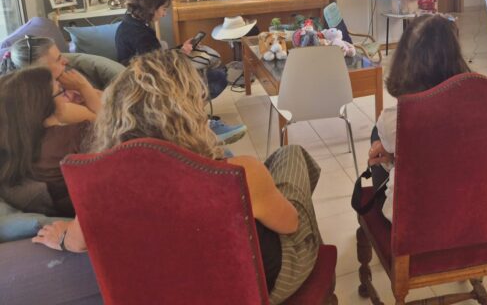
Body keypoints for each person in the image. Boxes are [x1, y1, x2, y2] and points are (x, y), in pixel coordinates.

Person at [32, 50, 322, 304]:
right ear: (188, 112)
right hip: (261, 288)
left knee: (276, 168)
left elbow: (77, 242)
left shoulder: (97, 185)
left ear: (116, 116)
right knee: (293, 157)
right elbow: (290, 224)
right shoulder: (236, 174)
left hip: (166, 296)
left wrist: (60, 238)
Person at [368, 14, 470, 221]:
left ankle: (376, 213)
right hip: (471, 213)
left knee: (378, 139)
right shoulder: (481, 106)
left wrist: (392, 155)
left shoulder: (395, 119)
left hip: (414, 221)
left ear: (405, 59)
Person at [115, 0, 244, 144]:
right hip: (148, 83)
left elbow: (155, 57)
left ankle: (197, 120)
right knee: (217, 77)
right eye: (163, 9)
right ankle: (201, 125)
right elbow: (157, 67)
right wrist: (181, 56)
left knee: (211, 71)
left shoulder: (129, 24)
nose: (164, 14)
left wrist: (180, 50)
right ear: (151, 8)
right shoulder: (141, 34)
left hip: (142, 77)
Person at [0, 67, 87, 216]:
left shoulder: (14, 144)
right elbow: (113, 128)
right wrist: (85, 89)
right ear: (45, 105)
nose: (64, 97)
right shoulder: (72, 136)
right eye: (60, 91)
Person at [0, 35, 101, 123]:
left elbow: (106, 98)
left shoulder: (62, 85)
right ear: (39, 74)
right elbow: (104, 121)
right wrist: (84, 87)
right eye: (58, 59)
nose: (66, 60)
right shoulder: (55, 109)